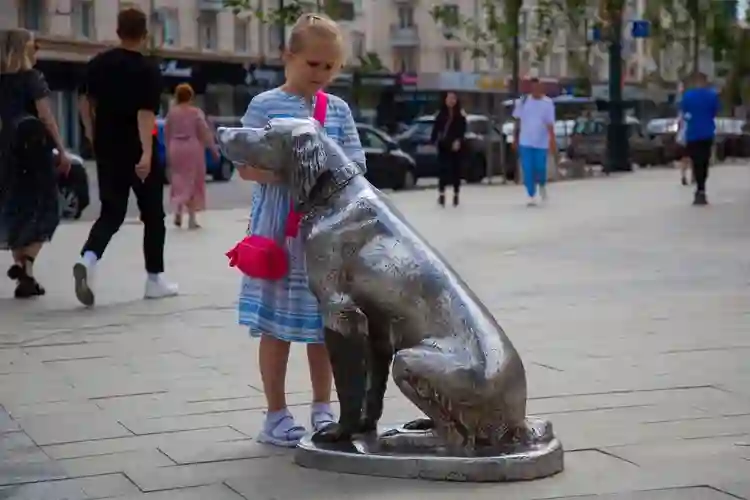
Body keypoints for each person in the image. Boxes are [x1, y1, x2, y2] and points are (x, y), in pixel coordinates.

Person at [237, 13, 365, 448]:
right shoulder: (265, 105)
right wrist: (288, 174)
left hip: (326, 232)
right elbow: (245, 166)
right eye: (313, 64)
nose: (321, 74)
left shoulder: (338, 110)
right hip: (278, 231)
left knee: (324, 326)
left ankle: (323, 408)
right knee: (275, 328)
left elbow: (356, 165)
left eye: (330, 66)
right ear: (287, 57)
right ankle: (275, 415)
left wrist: (330, 177)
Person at [76, 7, 178, 306]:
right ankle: (154, 279)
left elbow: (84, 101)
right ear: (145, 34)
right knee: (153, 215)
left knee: (111, 211)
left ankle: (88, 258)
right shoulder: (148, 69)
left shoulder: (98, 64)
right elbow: (145, 114)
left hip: (107, 146)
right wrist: (146, 153)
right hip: (136, 147)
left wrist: (91, 133)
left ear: (118, 31)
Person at [0, 29, 70, 298]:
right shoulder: (33, 78)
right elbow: (46, 116)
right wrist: (61, 149)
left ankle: (26, 277)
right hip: (34, 152)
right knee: (45, 207)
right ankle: (26, 265)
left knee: (16, 208)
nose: (37, 48)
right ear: (23, 48)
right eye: (33, 44)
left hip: (6, 152)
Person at [165, 83, 219, 229]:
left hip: (175, 147)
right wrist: (213, 149)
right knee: (193, 181)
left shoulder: (171, 114)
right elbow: (204, 132)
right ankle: (191, 219)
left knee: (178, 179)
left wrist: (169, 150)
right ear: (190, 96)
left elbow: (167, 133)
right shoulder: (195, 113)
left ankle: (178, 210)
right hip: (192, 148)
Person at [512, 77, 557, 206]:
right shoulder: (523, 101)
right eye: (533, 87)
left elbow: (550, 123)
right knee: (528, 169)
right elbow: (517, 121)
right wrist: (515, 138)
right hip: (525, 141)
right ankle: (531, 194)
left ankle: (542, 184)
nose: (535, 90)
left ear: (541, 88)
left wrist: (552, 139)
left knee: (540, 168)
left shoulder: (547, 103)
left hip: (541, 142)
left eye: (537, 87)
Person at [680, 72, 719, 206]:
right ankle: (702, 187)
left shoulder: (688, 96)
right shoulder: (712, 95)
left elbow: (684, 112)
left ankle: (699, 188)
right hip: (707, 132)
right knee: (705, 160)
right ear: (705, 81)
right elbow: (715, 111)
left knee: (696, 160)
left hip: (693, 133)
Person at [430, 91, 466, 207]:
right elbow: (436, 129)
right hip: (443, 145)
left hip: (455, 145)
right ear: (445, 100)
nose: (451, 101)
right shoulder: (441, 113)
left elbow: (462, 130)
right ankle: (442, 194)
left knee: (456, 170)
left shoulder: (460, 114)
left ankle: (456, 194)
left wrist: (458, 141)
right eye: (449, 98)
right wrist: (433, 140)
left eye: (453, 98)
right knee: (443, 170)